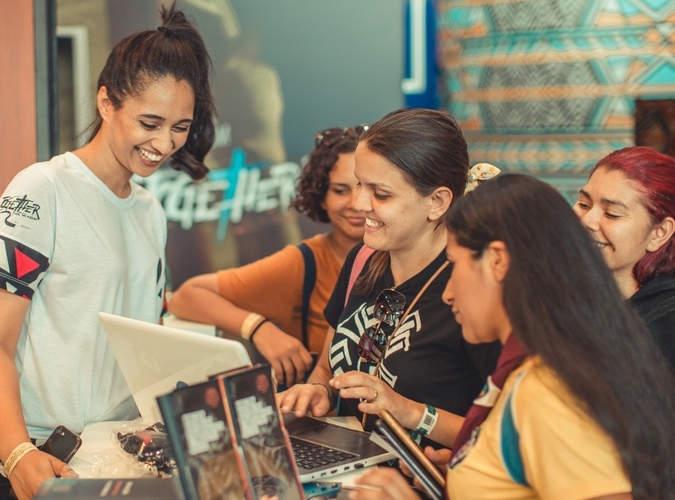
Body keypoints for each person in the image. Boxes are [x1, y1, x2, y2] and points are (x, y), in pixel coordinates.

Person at [0, 4, 216, 499]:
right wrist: (19, 456)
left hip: (116, 453)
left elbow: (144, 338)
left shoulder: (149, 210)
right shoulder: (42, 189)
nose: (164, 143)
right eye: (150, 122)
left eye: (180, 127)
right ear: (106, 102)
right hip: (40, 453)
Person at [350, 174, 675, 500]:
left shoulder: (549, 387)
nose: (448, 294)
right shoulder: (533, 364)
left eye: (454, 266)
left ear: (497, 261)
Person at [277, 108, 501, 448]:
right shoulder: (363, 259)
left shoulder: (474, 287)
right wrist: (317, 391)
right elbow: (325, 368)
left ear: (438, 202)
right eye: (357, 186)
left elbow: (503, 439)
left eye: (380, 194)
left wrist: (408, 411)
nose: (359, 203)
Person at [168, 126, 366, 387]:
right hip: (328, 419)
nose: (357, 203)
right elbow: (186, 297)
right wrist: (259, 328)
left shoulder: (415, 259)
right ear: (321, 195)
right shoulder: (305, 263)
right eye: (340, 190)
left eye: (368, 189)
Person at [573, 146, 675, 367]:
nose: (586, 221)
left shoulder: (665, 326)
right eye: (584, 204)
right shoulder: (567, 295)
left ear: (659, 233)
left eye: (612, 213)